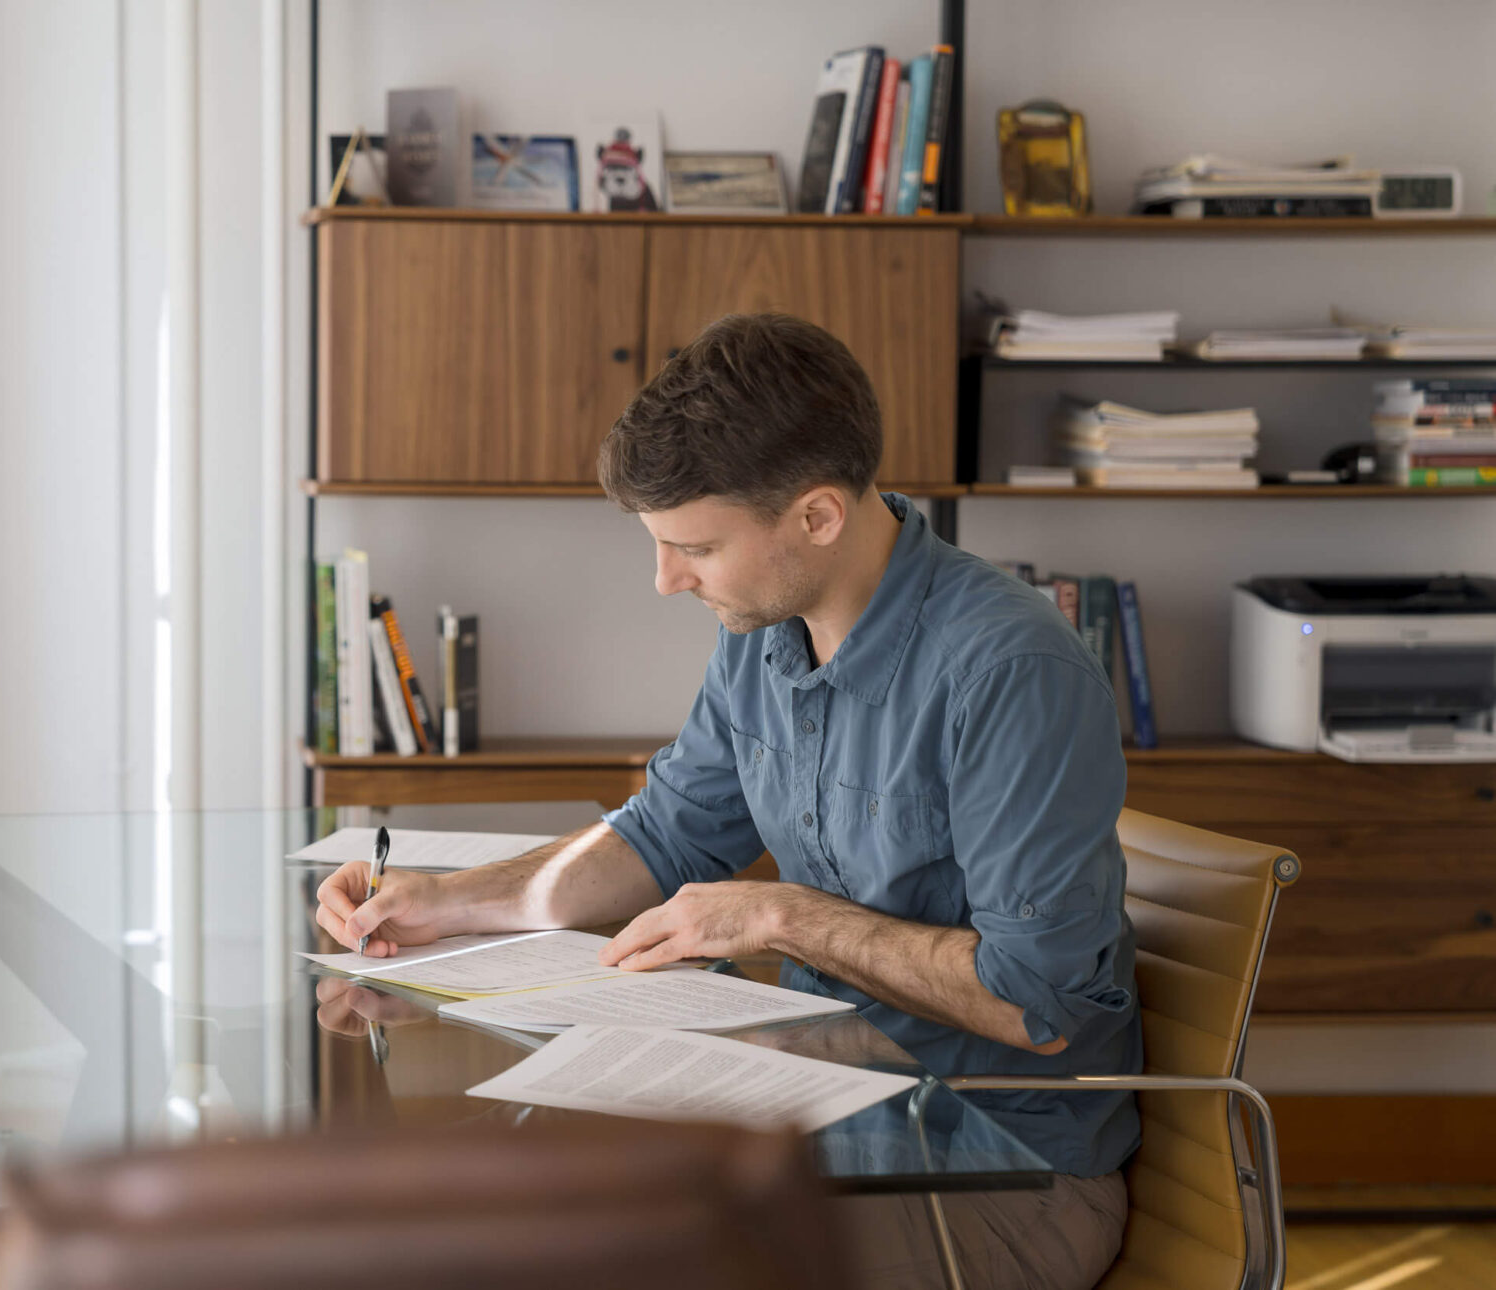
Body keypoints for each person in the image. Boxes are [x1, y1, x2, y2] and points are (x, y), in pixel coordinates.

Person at [314, 312, 1140, 1289]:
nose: (665, 581)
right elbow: (664, 836)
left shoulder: (1007, 670)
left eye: (694, 548)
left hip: (996, 1174)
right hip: (813, 1106)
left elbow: (1034, 1004)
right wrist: (443, 900)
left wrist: (779, 915)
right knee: (502, 1193)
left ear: (816, 517)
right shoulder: (763, 633)